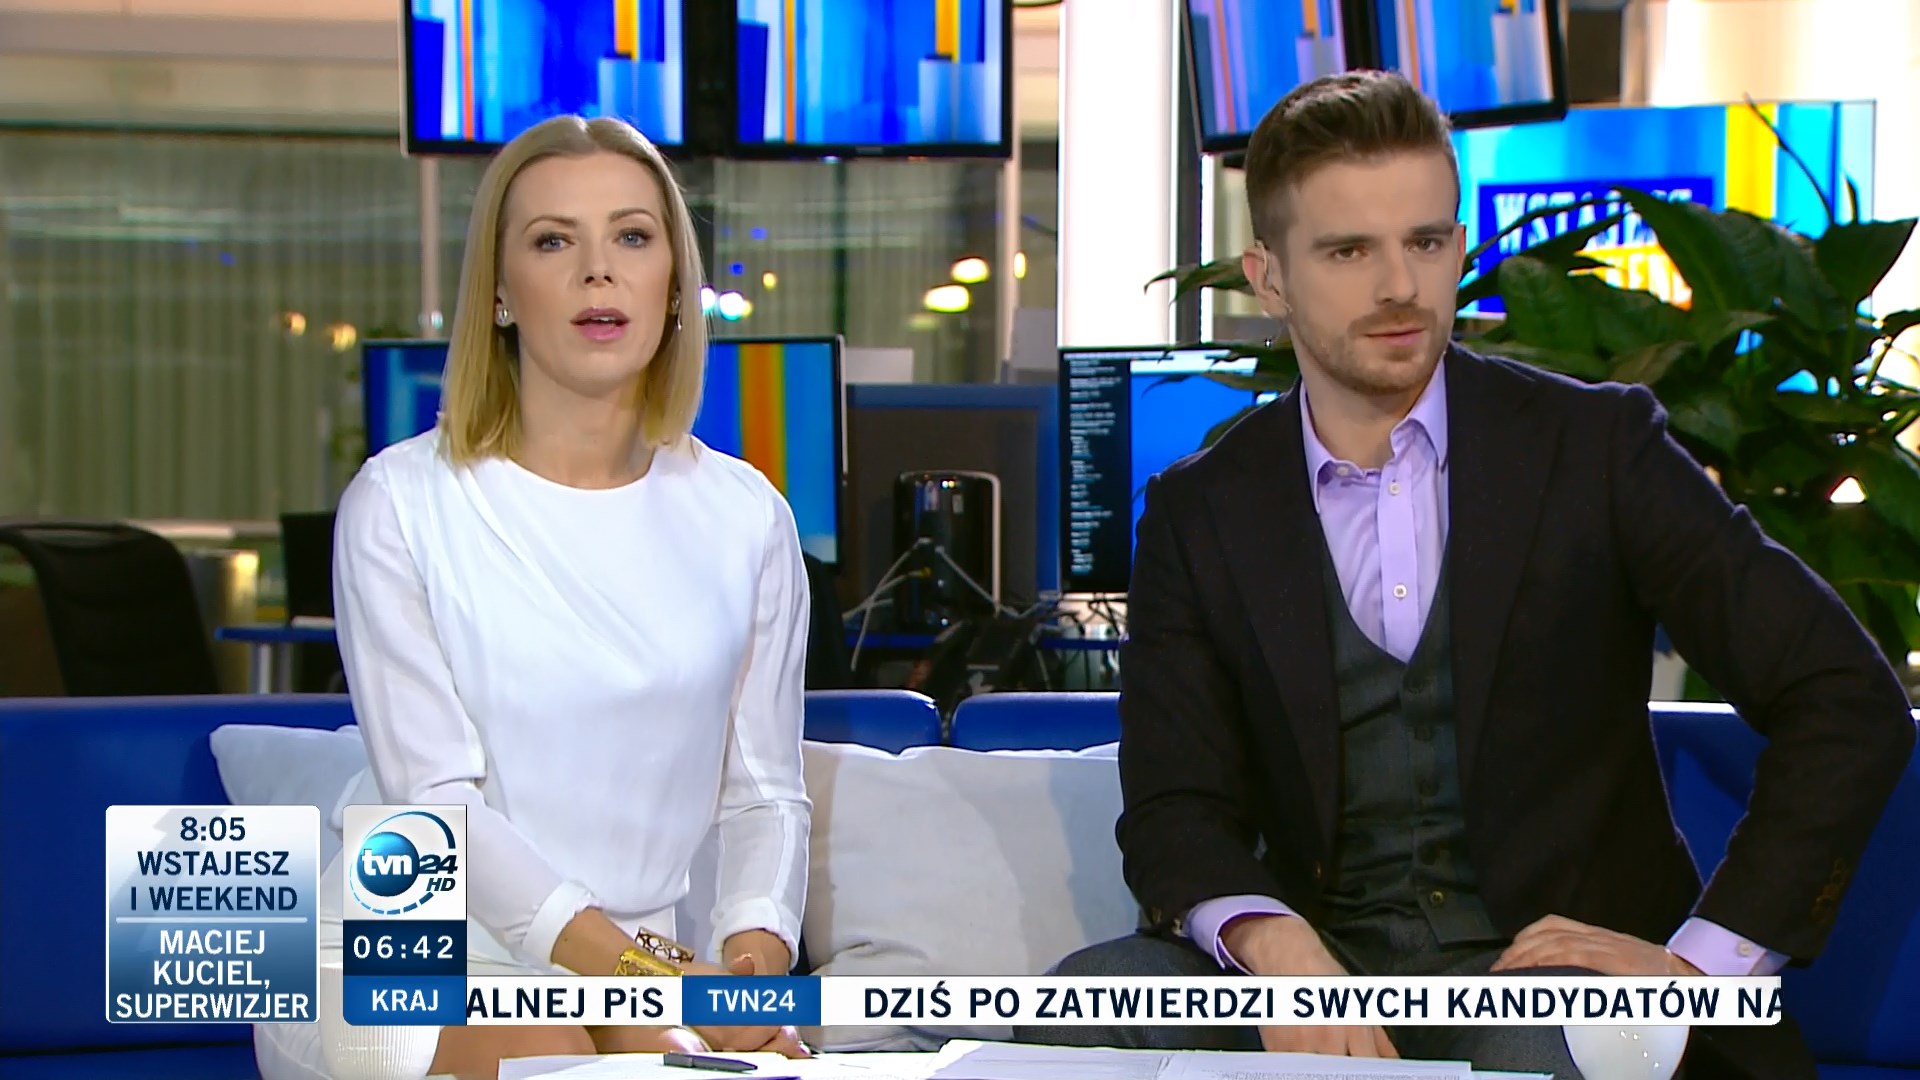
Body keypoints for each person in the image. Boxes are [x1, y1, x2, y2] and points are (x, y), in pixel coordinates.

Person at [1018, 71, 1916, 1079]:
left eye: (1425, 242)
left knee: (1538, 1050)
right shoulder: (1203, 512)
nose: (1399, 286)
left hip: (1552, 983)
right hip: (1329, 970)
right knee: (1086, 1008)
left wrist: (1697, 969)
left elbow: (1844, 696)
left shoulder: (1594, 450)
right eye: (1349, 251)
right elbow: (1174, 805)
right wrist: (1271, 942)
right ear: (1268, 278)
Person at [254, 115, 813, 1080]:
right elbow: (438, 809)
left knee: (696, 1063)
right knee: (556, 1059)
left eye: (632, 236)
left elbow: (766, 791)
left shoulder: (747, 515)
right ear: (501, 292)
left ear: (672, 280)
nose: (599, 271)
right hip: (413, 941)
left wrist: (748, 976)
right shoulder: (399, 502)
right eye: (554, 241)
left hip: (635, 963)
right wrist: (649, 982)